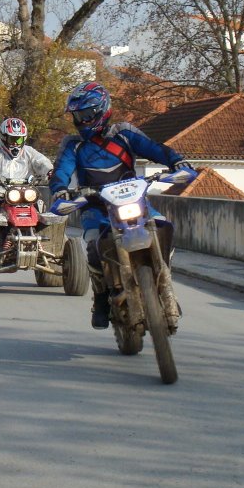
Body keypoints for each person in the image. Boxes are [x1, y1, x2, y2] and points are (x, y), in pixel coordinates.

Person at [49, 81, 194, 328]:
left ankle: (165, 281)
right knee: (94, 246)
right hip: (95, 206)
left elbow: (154, 149)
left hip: (134, 200)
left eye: (84, 115)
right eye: (77, 116)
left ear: (100, 111)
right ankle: (101, 297)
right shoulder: (74, 145)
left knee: (164, 226)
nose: (80, 121)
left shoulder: (124, 134)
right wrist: (60, 190)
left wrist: (177, 162)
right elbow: (61, 171)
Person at [0, 117, 53, 181]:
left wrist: (50, 171)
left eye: (19, 139)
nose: (15, 143)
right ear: (4, 138)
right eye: (12, 139)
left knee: (41, 201)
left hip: (26, 193)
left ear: (24, 138)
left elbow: (41, 161)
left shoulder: (29, 151)